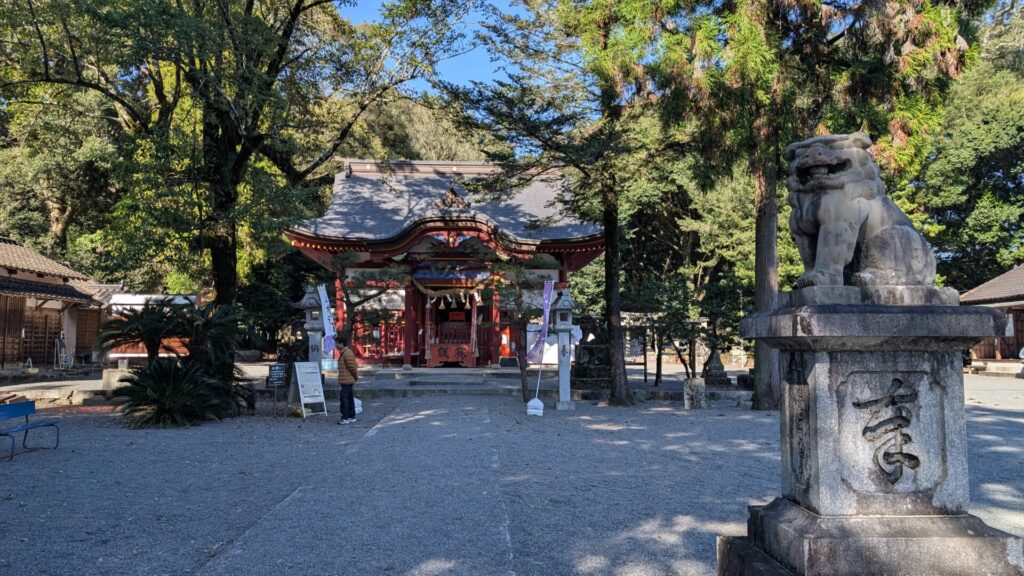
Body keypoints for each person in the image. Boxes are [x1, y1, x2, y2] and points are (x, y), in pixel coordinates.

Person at [336, 336, 359, 425]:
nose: (336, 345)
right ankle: (351, 416)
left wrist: (355, 376)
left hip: (347, 380)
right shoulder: (344, 353)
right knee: (349, 398)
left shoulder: (347, 353)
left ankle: (345, 417)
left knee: (344, 398)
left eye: (337, 343)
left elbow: (353, 367)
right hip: (347, 379)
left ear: (342, 344)